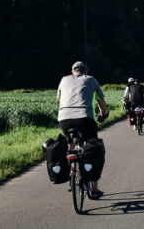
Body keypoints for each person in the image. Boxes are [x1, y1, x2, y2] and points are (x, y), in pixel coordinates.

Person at [57, 61, 108, 199]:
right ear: (85, 71)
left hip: (64, 119)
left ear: (73, 71)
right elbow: (100, 101)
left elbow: (60, 100)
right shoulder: (90, 79)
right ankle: (95, 189)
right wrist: (104, 114)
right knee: (92, 148)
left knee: (70, 145)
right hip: (85, 117)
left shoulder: (63, 79)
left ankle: (70, 175)